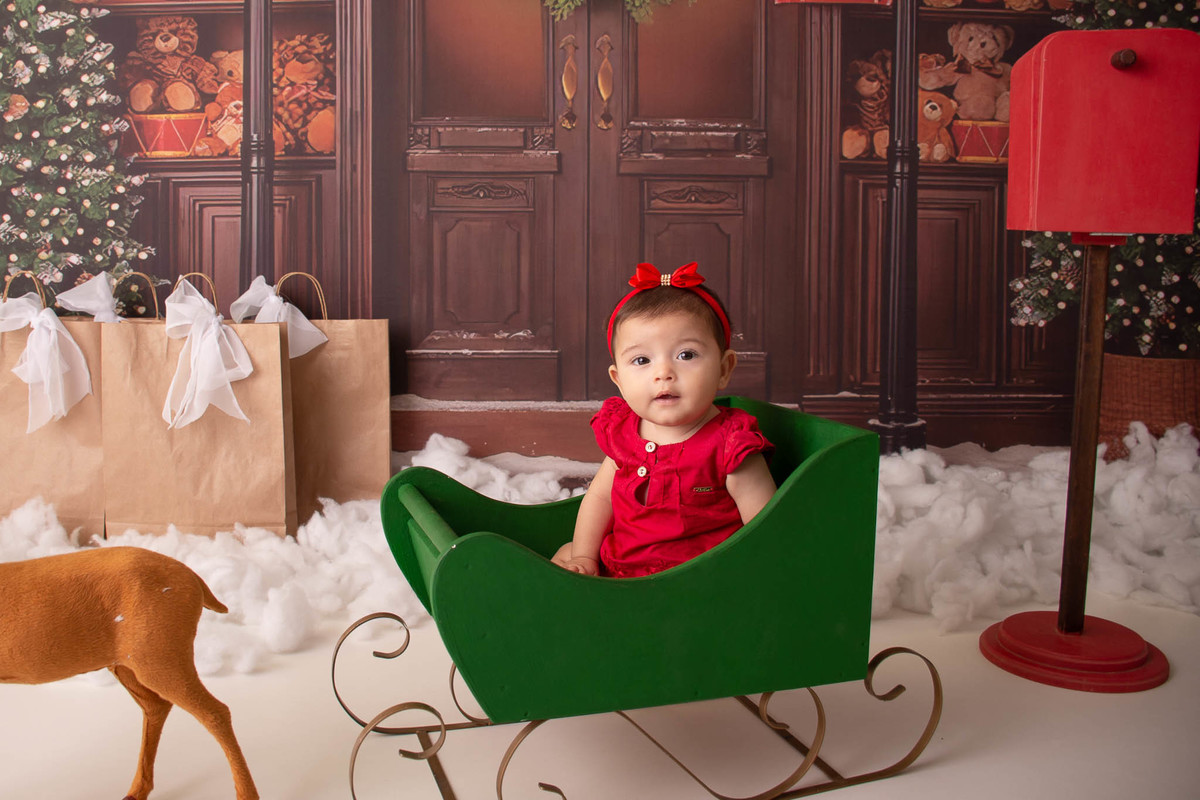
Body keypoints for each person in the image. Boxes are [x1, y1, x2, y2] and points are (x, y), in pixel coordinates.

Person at [552, 262, 777, 578]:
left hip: (692, 580)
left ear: (724, 369)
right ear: (619, 380)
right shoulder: (624, 432)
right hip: (623, 566)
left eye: (686, 355)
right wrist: (584, 557)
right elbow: (600, 498)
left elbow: (765, 531)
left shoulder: (731, 445)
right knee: (566, 555)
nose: (663, 373)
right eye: (642, 360)